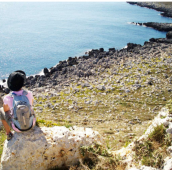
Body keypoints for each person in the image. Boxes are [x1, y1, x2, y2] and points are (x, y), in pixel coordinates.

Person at [0, 70, 35, 141]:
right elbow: (31, 105)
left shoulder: (7, 98)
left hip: (17, 128)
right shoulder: (28, 93)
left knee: (1, 110)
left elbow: (6, 111)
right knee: (31, 108)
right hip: (31, 124)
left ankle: (8, 133)